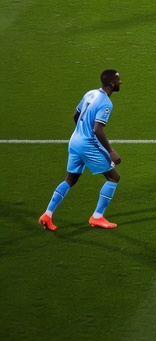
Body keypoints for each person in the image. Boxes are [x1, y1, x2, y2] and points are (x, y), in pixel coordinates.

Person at [39, 70, 124, 231]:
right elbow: (98, 129)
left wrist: (81, 132)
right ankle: (97, 217)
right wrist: (111, 151)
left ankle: (47, 214)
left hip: (74, 141)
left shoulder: (90, 93)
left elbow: (75, 116)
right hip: (87, 144)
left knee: (71, 179)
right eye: (118, 80)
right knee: (113, 177)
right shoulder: (106, 103)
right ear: (112, 83)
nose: (121, 82)